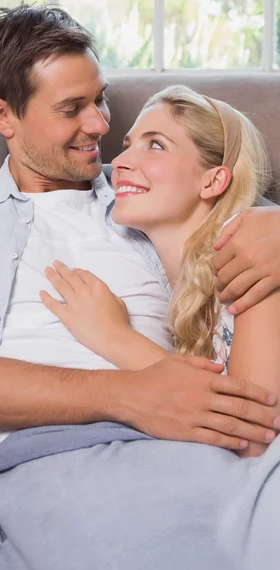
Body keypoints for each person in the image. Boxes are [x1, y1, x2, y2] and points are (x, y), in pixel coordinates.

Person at [0, 4, 280, 514]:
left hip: (184, 446)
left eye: (101, 100)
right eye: (71, 108)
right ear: (3, 114)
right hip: (49, 456)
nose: (100, 126)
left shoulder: (146, 193)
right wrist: (128, 394)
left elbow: (236, 206)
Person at [39, 84, 280, 458]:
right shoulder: (184, 292)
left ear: (213, 180)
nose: (118, 164)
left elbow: (252, 439)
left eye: (155, 145)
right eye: (127, 145)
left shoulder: (249, 257)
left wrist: (116, 338)